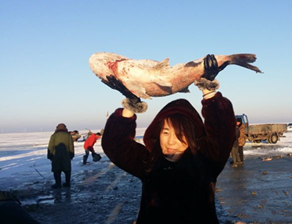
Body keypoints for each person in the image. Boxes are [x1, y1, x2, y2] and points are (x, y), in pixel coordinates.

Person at [101, 54, 236, 224]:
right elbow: (115, 145)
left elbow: (222, 131)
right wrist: (131, 105)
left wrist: (208, 90)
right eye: (166, 133)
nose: (171, 141)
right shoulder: (150, 163)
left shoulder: (206, 161)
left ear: (192, 136)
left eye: (180, 134)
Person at [47, 123, 75, 188]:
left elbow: (50, 146)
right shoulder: (68, 135)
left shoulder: (54, 135)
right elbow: (71, 146)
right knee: (67, 170)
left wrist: (50, 155)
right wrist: (71, 154)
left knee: (56, 170)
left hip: (56, 156)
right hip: (66, 155)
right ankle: (67, 183)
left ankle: (58, 183)